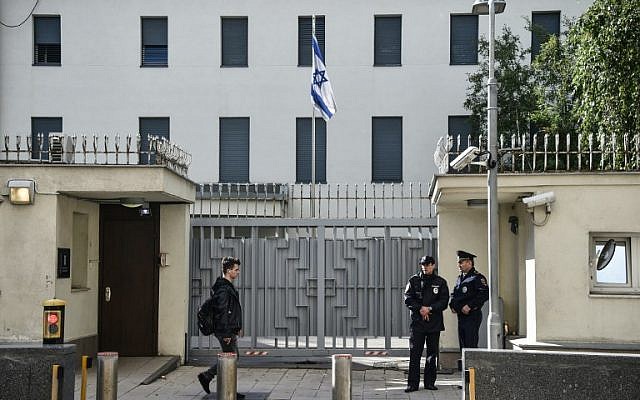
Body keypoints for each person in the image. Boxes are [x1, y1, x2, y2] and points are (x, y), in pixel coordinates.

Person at [197, 256, 245, 399]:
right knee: (231, 358)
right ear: (228, 270)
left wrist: (236, 328)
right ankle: (208, 377)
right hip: (225, 330)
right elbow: (221, 313)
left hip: (229, 329)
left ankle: (222, 385)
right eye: (236, 269)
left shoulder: (226, 286)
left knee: (233, 357)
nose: (238, 272)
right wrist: (226, 333)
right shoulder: (223, 289)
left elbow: (230, 310)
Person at [403, 255, 450, 393]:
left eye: (428, 264)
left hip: (434, 323)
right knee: (415, 354)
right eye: (423, 264)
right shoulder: (414, 280)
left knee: (432, 354)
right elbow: (408, 298)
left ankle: (429, 383)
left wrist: (429, 309)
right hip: (418, 323)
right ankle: (412, 384)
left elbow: (444, 301)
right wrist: (420, 309)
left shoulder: (440, 282)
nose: (425, 266)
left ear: (433, 265)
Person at [449, 250, 489, 352]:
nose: (459, 265)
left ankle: (471, 368)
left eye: (461, 262)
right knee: (463, 344)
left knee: (470, 344)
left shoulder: (477, 278)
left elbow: (484, 294)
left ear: (469, 263)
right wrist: (452, 305)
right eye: (458, 262)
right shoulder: (460, 278)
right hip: (461, 316)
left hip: (472, 316)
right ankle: (464, 367)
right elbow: (454, 293)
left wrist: (470, 306)